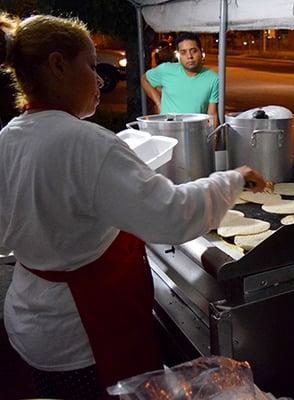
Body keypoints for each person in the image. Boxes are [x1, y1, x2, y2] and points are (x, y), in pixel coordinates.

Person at [0, 13, 266, 400]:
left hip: (31, 321)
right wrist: (234, 177)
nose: (99, 79)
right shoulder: (85, 142)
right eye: (91, 66)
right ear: (58, 66)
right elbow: (174, 216)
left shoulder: (9, 137)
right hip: (83, 335)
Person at [141, 32, 219, 124]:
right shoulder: (166, 70)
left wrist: (212, 137)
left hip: (194, 132)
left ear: (201, 52)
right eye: (183, 52)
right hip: (166, 131)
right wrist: (158, 102)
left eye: (193, 51)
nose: (189, 56)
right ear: (179, 55)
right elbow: (144, 79)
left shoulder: (213, 78)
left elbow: (212, 114)